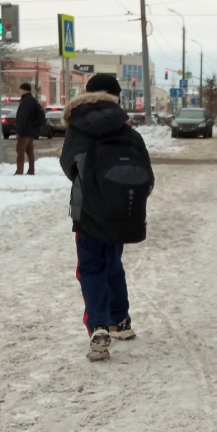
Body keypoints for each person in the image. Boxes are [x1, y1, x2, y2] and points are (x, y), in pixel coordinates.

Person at [60, 74, 155, 362]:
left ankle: (99, 325)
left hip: (88, 211)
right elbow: (146, 170)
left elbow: (69, 166)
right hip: (121, 209)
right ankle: (120, 321)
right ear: (116, 95)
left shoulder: (78, 127)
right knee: (112, 263)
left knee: (90, 268)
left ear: (88, 93)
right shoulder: (125, 128)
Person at [14, 83, 45, 175]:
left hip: (26, 130)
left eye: (20, 89)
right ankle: (31, 170)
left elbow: (23, 117)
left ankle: (19, 171)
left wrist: (20, 130)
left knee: (20, 149)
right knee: (29, 151)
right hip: (31, 130)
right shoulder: (32, 100)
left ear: (24, 90)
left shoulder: (26, 101)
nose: (20, 91)